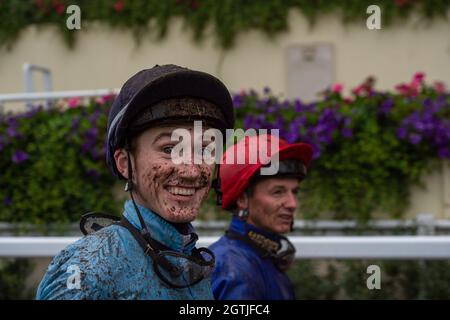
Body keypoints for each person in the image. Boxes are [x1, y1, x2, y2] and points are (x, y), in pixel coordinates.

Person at [36, 64, 234, 299]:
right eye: (169, 149)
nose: (191, 171)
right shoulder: (87, 269)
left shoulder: (190, 260)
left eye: (204, 150)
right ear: (125, 164)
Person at [209, 134, 313, 300]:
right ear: (242, 199)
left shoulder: (257, 255)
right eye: (278, 192)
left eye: (295, 192)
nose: (292, 204)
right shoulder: (236, 271)